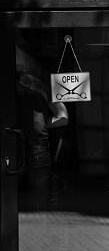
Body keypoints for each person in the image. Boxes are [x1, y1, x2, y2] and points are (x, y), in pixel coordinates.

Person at [16, 70, 68, 211]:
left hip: (14, 144)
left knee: (9, 200)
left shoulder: (12, 85)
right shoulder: (42, 87)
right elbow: (63, 118)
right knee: (36, 203)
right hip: (38, 148)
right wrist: (42, 122)